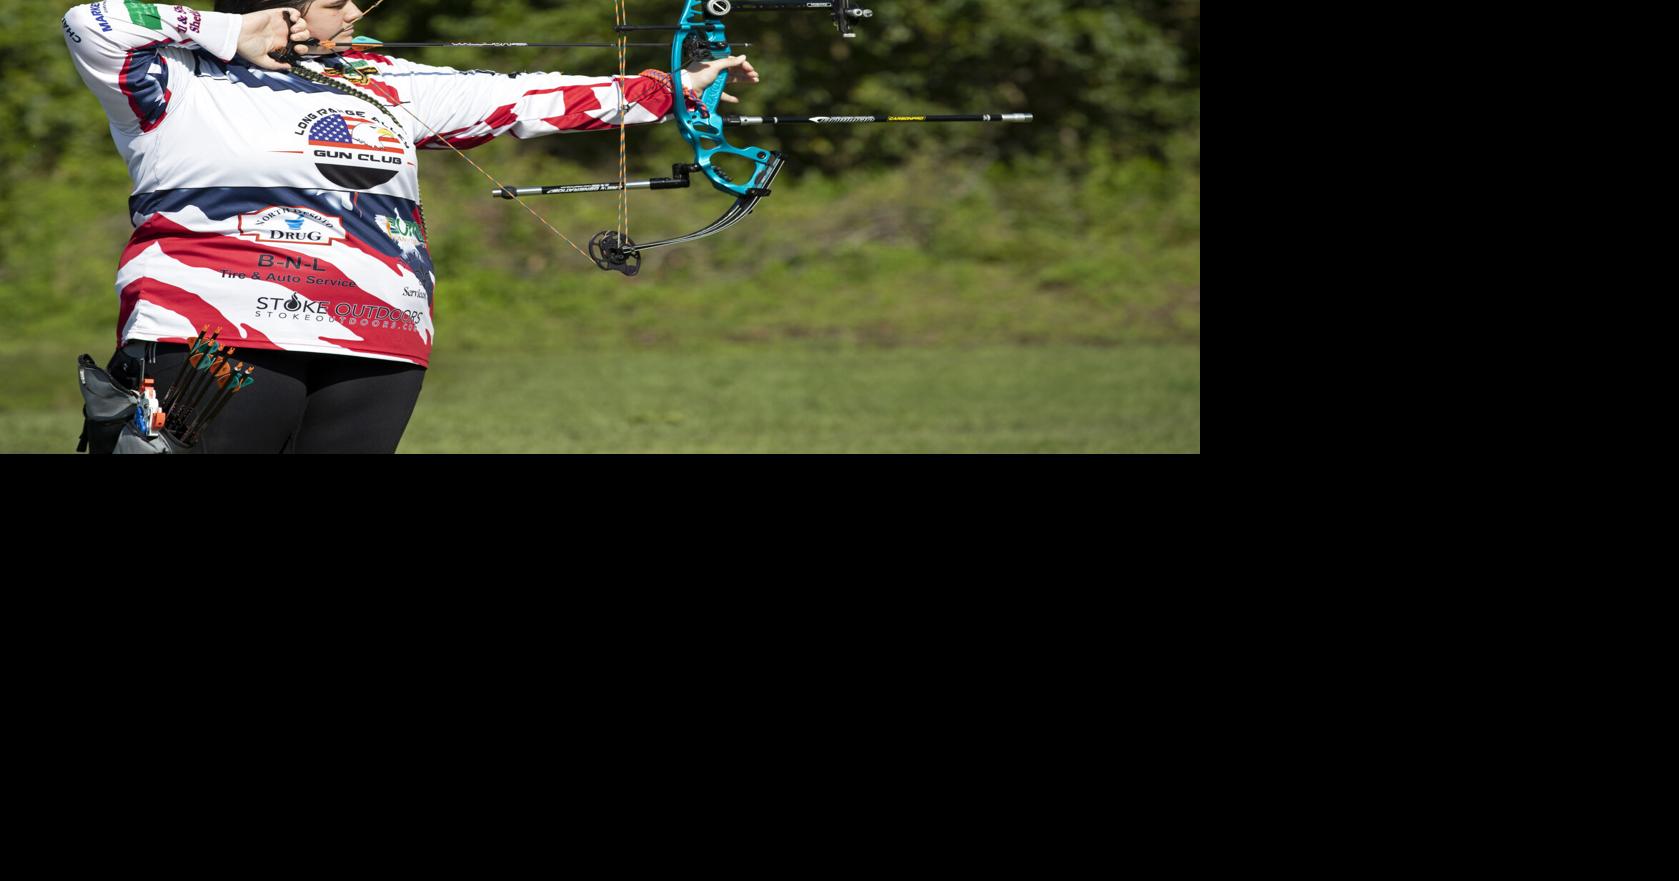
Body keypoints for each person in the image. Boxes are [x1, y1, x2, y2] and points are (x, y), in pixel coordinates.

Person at [63, 0, 758, 452]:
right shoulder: (173, 77)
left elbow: (524, 99)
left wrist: (677, 87)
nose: (354, 12)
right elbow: (93, 19)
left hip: (377, 335)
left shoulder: (382, 79)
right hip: (218, 328)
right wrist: (230, 33)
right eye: (334, 1)